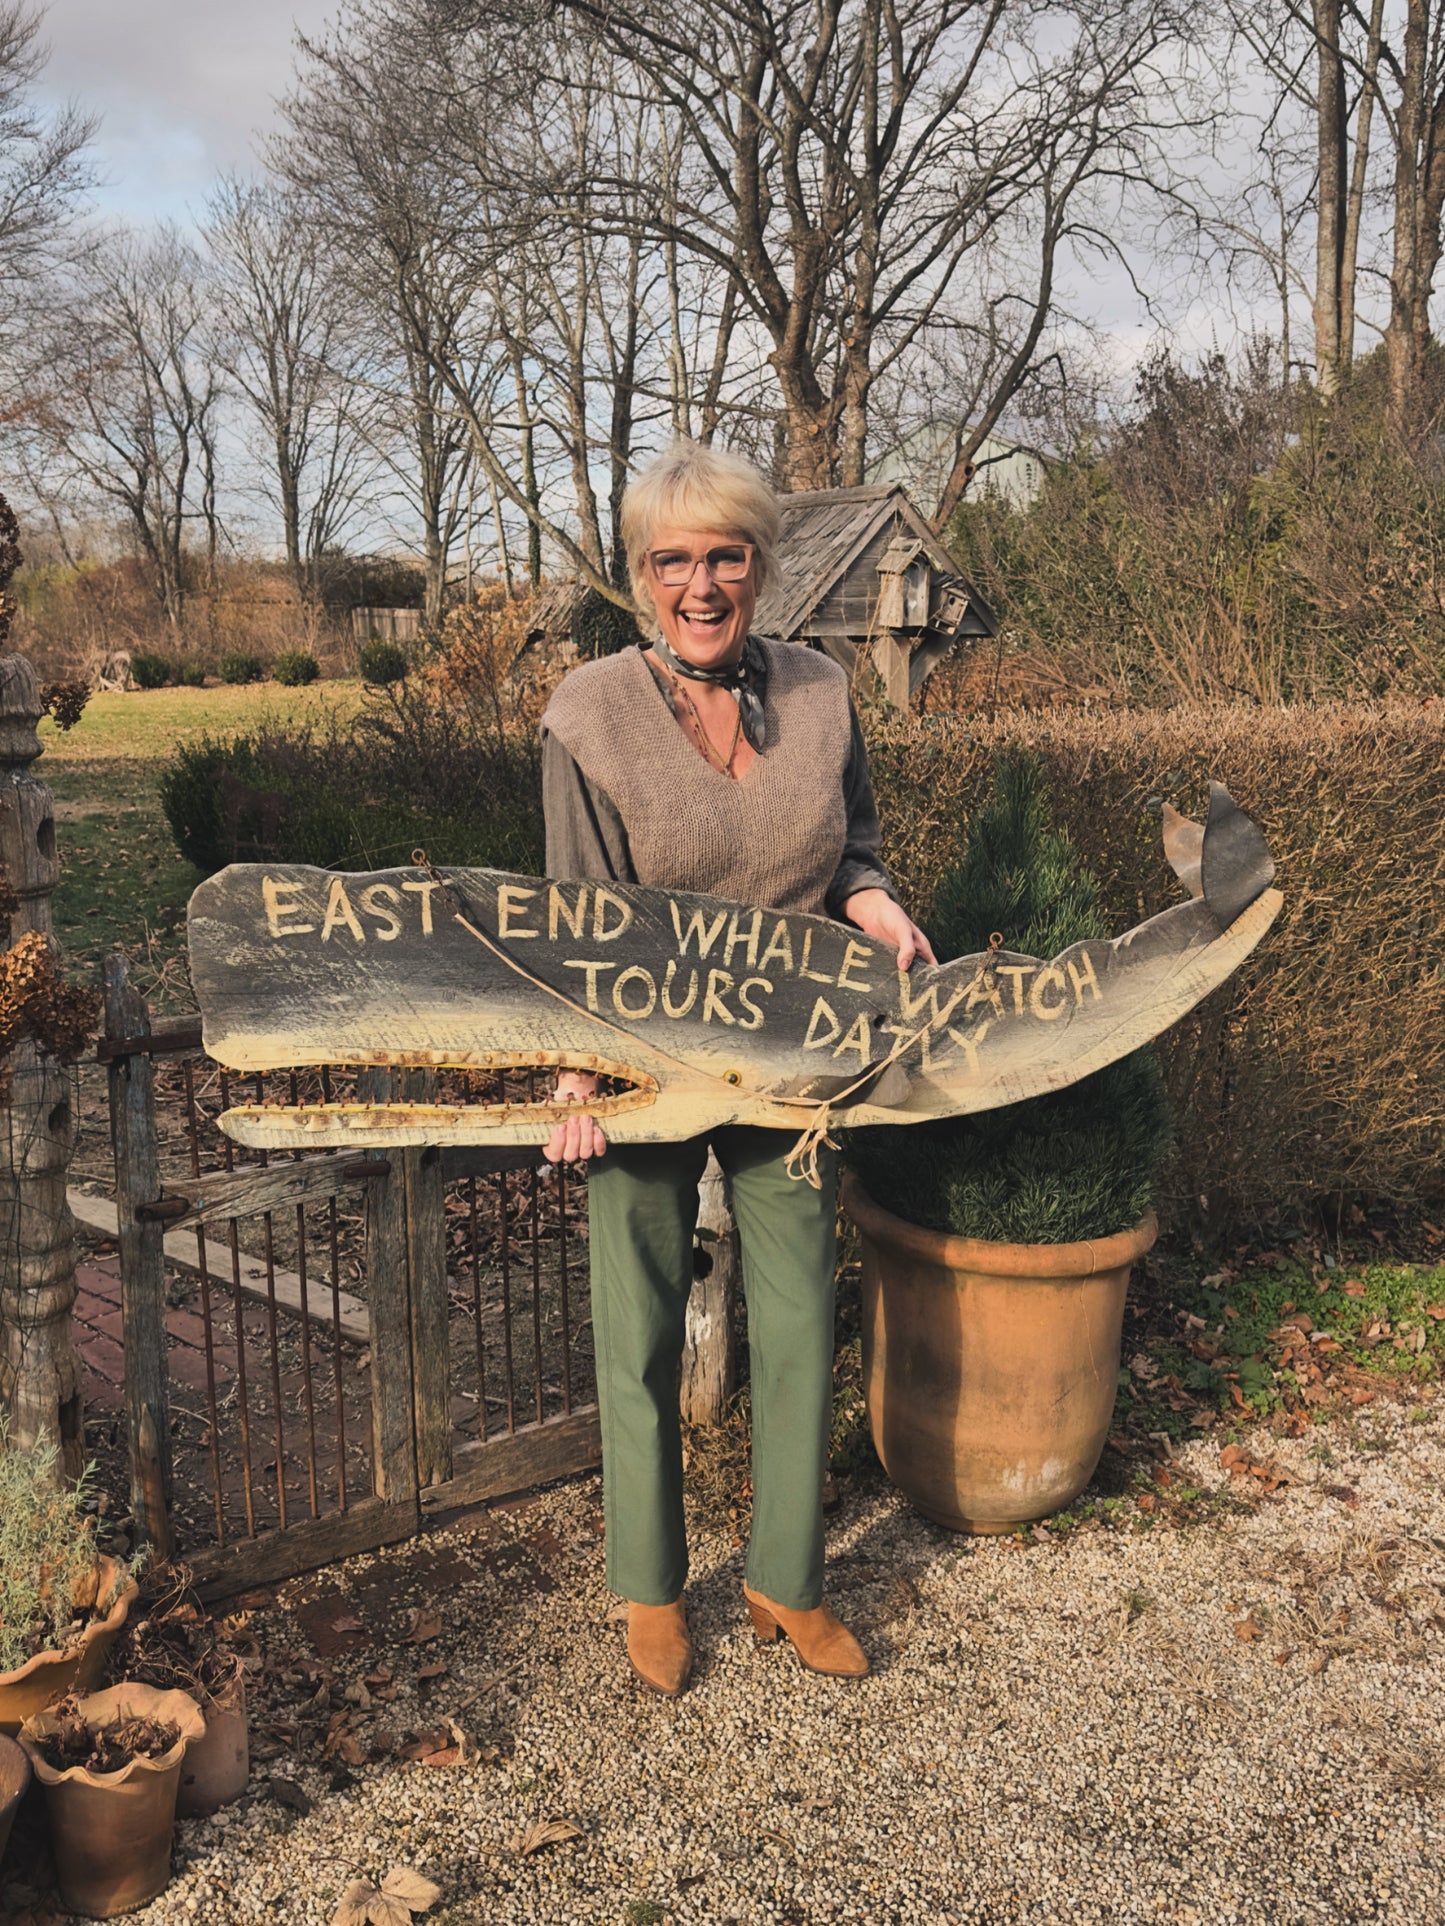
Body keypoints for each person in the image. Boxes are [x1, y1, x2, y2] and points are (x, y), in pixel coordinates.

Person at [540, 440, 935, 1696]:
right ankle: (651, 1585)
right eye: (672, 562)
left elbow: (851, 848)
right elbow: (575, 915)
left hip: (793, 1056)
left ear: (761, 568)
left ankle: (786, 1578)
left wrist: (874, 904)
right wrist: (576, 1076)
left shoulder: (821, 691)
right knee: (639, 1328)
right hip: (646, 1059)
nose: (699, 585)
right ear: (639, 576)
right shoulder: (587, 713)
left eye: (724, 557)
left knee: (802, 1316)